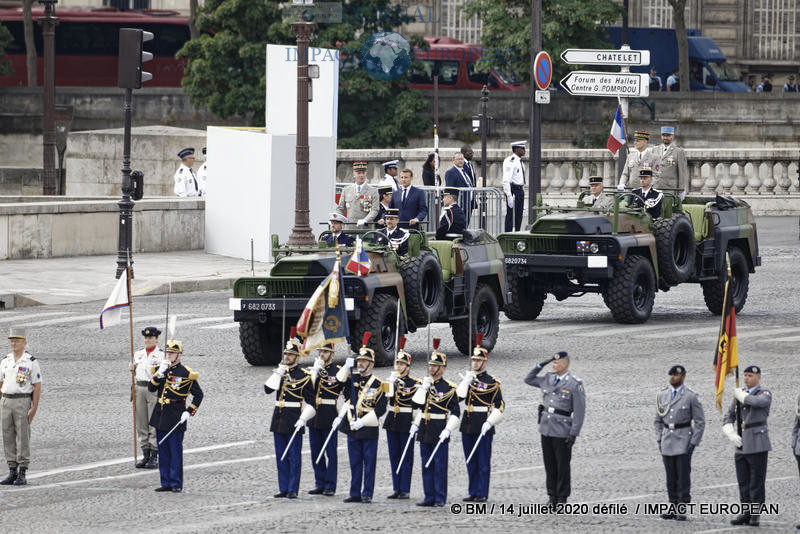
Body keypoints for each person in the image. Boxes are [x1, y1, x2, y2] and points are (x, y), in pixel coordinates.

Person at [524, 351, 586, 507]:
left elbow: (579, 411)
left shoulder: (574, 383)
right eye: (553, 363)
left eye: (557, 363)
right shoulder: (548, 378)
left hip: (562, 429)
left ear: (565, 364)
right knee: (549, 464)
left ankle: (562, 498)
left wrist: (573, 433)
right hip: (546, 427)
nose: (554, 364)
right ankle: (552, 496)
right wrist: (540, 365)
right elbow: (528, 379)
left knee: (562, 465)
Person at [336, 332, 388, 504]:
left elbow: (381, 409)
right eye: (359, 361)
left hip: (368, 426)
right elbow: (338, 382)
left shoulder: (379, 384)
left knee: (369, 463)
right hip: (352, 425)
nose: (360, 363)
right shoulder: (352, 377)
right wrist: (346, 365)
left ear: (371, 364)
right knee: (355, 462)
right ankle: (354, 492)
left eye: (364, 361)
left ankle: (367, 493)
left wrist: (363, 422)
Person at [264, 329, 315, 499]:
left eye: (290, 355)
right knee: (280, 456)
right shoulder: (280, 373)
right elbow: (267, 390)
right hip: (278, 417)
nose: (287, 357)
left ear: (297, 357)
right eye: (286, 354)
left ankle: (293, 488)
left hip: (294, 418)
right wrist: (278, 373)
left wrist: (303, 418)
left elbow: (312, 401)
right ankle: (283, 487)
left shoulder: (304, 376)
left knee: (293, 457)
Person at [411, 338, 461, 507]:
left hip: (440, 429)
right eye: (430, 365)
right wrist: (423, 388)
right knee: (426, 464)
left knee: (440, 467)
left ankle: (440, 497)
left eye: (435, 366)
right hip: (425, 428)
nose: (431, 368)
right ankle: (429, 496)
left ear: (442, 368)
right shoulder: (425, 385)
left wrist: (448, 429)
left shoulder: (449, 388)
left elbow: (456, 412)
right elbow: (415, 405)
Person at [148, 339, 203, 493]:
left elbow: (199, 395)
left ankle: (176, 482)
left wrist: (189, 411)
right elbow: (151, 388)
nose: (169, 355)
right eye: (168, 352)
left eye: (172, 353)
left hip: (176, 416)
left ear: (179, 355)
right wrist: (159, 374)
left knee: (175, 451)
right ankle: (165, 481)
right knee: (163, 450)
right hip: (161, 414)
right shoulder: (161, 369)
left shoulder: (186, 373)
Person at [457, 334, 505, 503]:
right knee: (470, 460)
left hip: (483, 422)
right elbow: (457, 399)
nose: (475, 363)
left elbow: (500, 405)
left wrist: (490, 421)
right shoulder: (468, 379)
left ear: (485, 362)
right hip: (468, 423)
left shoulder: (492, 383)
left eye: (478, 361)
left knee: (483, 462)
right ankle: (473, 491)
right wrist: (465, 383)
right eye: (473, 360)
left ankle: (482, 492)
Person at [655, 365, 705, 521]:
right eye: (671, 375)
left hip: (683, 439)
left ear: (683, 377)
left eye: (676, 376)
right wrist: (659, 438)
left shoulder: (690, 396)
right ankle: (673, 505)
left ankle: (682, 507)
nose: (672, 378)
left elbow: (700, 421)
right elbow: (657, 420)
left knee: (683, 476)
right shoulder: (663, 394)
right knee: (671, 477)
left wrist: (693, 442)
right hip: (667, 440)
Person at [723, 365, 772, 527]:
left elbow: (757, 403)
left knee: (756, 481)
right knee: (743, 481)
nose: (746, 378)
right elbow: (729, 415)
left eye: (750, 375)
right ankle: (746, 512)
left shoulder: (764, 394)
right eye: (745, 375)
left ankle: (756, 515)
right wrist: (729, 431)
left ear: (758, 378)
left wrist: (741, 395)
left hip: (757, 442)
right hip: (741, 442)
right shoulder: (740, 394)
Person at [0, 328, 42, 486]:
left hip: (22, 400)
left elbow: (37, 386)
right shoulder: (6, 360)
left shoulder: (30, 361)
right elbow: (0, 381)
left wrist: (34, 408)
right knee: (8, 436)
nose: (14, 343)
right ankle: (12, 469)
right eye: (12, 340)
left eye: (17, 341)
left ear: (24, 343)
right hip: (6, 401)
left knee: (23, 436)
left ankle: (23, 470)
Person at [383, 336, 420, 500]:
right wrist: (390, 384)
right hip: (392, 420)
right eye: (397, 363)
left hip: (406, 421)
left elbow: (419, 404)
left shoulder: (415, 383)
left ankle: (405, 488)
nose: (399, 366)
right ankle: (396, 487)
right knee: (394, 455)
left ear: (408, 367)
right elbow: (383, 399)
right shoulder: (391, 381)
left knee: (406, 456)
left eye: (402, 364)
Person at [306, 341, 344, 496]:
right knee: (316, 451)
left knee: (330, 452)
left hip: (329, 414)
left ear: (332, 355)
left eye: (325, 352)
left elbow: (345, 389)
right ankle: (319, 482)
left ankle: (330, 485)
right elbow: (308, 390)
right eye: (321, 351)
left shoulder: (337, 371)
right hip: (314, 415)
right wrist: (314, 371)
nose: (322, 354)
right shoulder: (313, 371)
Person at [130, 326, 164, 469]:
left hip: (153, 389)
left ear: (156, 339)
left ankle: (154, 455)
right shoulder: (138, 354)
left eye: (151, 338)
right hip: (139, 388)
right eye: (146, 338)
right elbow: (136, 372)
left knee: (153, 422)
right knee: (141, 422)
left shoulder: (162, 356)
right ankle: (145, 453)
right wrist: (131, 368)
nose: (148, 340)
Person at [336, 161, 379, 226]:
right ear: (354, 174)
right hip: (350, 228)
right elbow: (341, 209)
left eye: (363, 173)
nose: (361, 175)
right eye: (358, 173)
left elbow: (374, 210)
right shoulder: (346, 190)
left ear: (366, 174)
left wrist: (365, 220)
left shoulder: (373, 191)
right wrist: (335, 219)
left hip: (365, 228)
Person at [654, 126, 689, 199]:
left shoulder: (678, 152)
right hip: (656, 187)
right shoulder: (655, 150)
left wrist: (681, 190)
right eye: (663, 135)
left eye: (668, 135)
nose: (665, 138)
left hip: (670, 189)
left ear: (672, 137)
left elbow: (682, 173)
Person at [502, 140, 527, 232]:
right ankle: (508, 234)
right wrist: (508, 195)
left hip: (520, 190)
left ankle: (517, 232)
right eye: (523, 148)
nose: (525, 150)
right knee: (511, 216)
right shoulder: (510, 161)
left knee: (519, 215)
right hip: (513, 190)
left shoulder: (519, 161)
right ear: (516, 149)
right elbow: (506, 180)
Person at [445, 151, 475, 227]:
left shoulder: (465, 171)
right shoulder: (450, 172)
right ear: (453, 160)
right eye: (458, 159)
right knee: (459, 226)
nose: (460, 161)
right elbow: (450, 189)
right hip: (460, 204)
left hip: (469, 203)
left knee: (465, 225)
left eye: (462, 159)